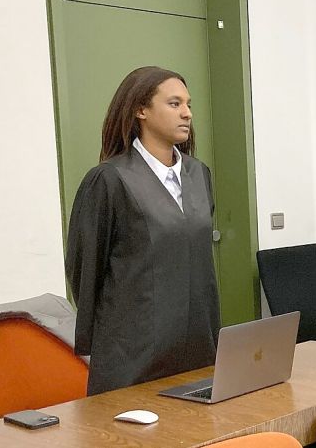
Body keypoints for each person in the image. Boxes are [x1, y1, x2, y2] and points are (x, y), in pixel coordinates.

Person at [65, 66, 220, 395]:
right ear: (141, 110)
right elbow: (84, 270)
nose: (187, 114)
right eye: (175, 104)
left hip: (198, 350)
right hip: (133, 357)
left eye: (189, 105)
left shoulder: (199, 174)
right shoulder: (109, 180)